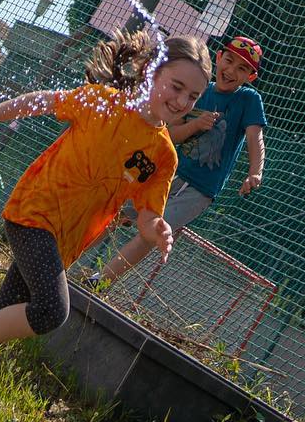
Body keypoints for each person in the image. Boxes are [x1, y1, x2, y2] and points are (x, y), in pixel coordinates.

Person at [0, 30, 212, 418]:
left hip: (66, 242)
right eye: (176, 86)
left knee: (1, 321)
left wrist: (156, 229)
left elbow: (148, 215)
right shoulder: (103, 101)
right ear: (152, 72)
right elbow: (41, 101)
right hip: (34, 212)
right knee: (49, 311)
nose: (182, 101)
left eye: (193, 97)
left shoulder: (163, 155)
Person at [95, 34, 267, 287]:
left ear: (250, 77)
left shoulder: (248, 100)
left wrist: (255, 172)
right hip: (163, 172)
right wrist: (195, 125)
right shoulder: (198, 91)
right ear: (219, 57)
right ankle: (67, 252)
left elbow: (255, 137)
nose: (231, 71)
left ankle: (99, 281)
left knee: (153, 233)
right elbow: (170, 135)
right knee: (115, 212)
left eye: (242, 69)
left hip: (199, 190)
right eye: (229, 61)